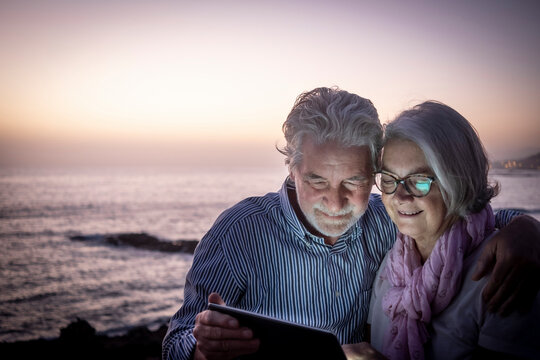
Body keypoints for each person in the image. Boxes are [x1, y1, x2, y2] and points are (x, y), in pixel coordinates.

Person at [162, 87, 539, 360]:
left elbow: (458, 216)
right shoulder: (237, 234)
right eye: (317, 181)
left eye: (355, 182)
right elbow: (174, 342)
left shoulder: (387, 217)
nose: (335, 202)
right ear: (292, 169)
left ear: (373, 172)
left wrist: (524, 227)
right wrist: (201, 349)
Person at [348, 101, 539, 359]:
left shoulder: (502, 276)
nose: (400, 196)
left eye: (419, 181)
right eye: (390, 179)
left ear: (458, 182)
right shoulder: (392, 265)